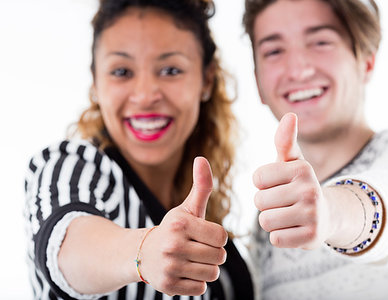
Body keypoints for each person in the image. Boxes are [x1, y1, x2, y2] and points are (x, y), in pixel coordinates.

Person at [23, 0, 254, 299]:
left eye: (170, 70)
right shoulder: (70, 166)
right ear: (95, 82)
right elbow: (66, 247)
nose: (145, 96)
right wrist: (145, 251)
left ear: (206, 80)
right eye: (121, 71)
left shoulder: (202, 205)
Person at [243, 0, 388, 299]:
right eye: (274, 51)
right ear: (259, 83)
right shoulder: (268, 225)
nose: (298, 70)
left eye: (320, 42)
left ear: (366, 61)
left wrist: (331, 214)